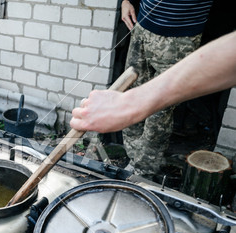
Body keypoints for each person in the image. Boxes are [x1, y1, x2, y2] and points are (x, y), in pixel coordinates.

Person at [70, 31, 236, 134]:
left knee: (159, 116)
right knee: (131, 126)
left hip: (180, 32)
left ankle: (144, 171)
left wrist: (130, 102)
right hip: (143, 27)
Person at [118, 0, 214, 179]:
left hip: (180, 38)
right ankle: (133, 161)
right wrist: (126, 0)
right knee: (131, 96)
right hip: (142, 25)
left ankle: (143, 172)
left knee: (158, 111)